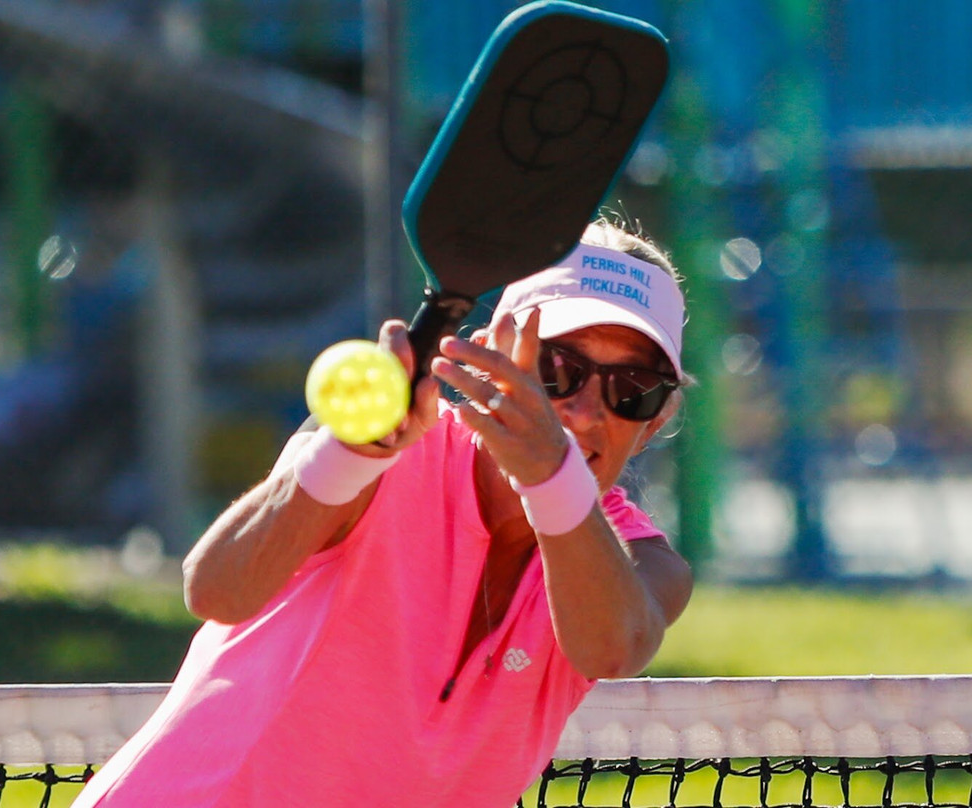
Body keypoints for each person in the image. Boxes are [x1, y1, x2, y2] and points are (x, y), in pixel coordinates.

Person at [71, 216, 694, 807]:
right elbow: (216, 589)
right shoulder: (376, 450)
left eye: (632, 390)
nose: (586, 412)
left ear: (657, 421)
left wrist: (548, 476)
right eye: (557, 369)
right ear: (480, 360)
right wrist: (349, 454)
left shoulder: (644, 567)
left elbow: (613, 648)